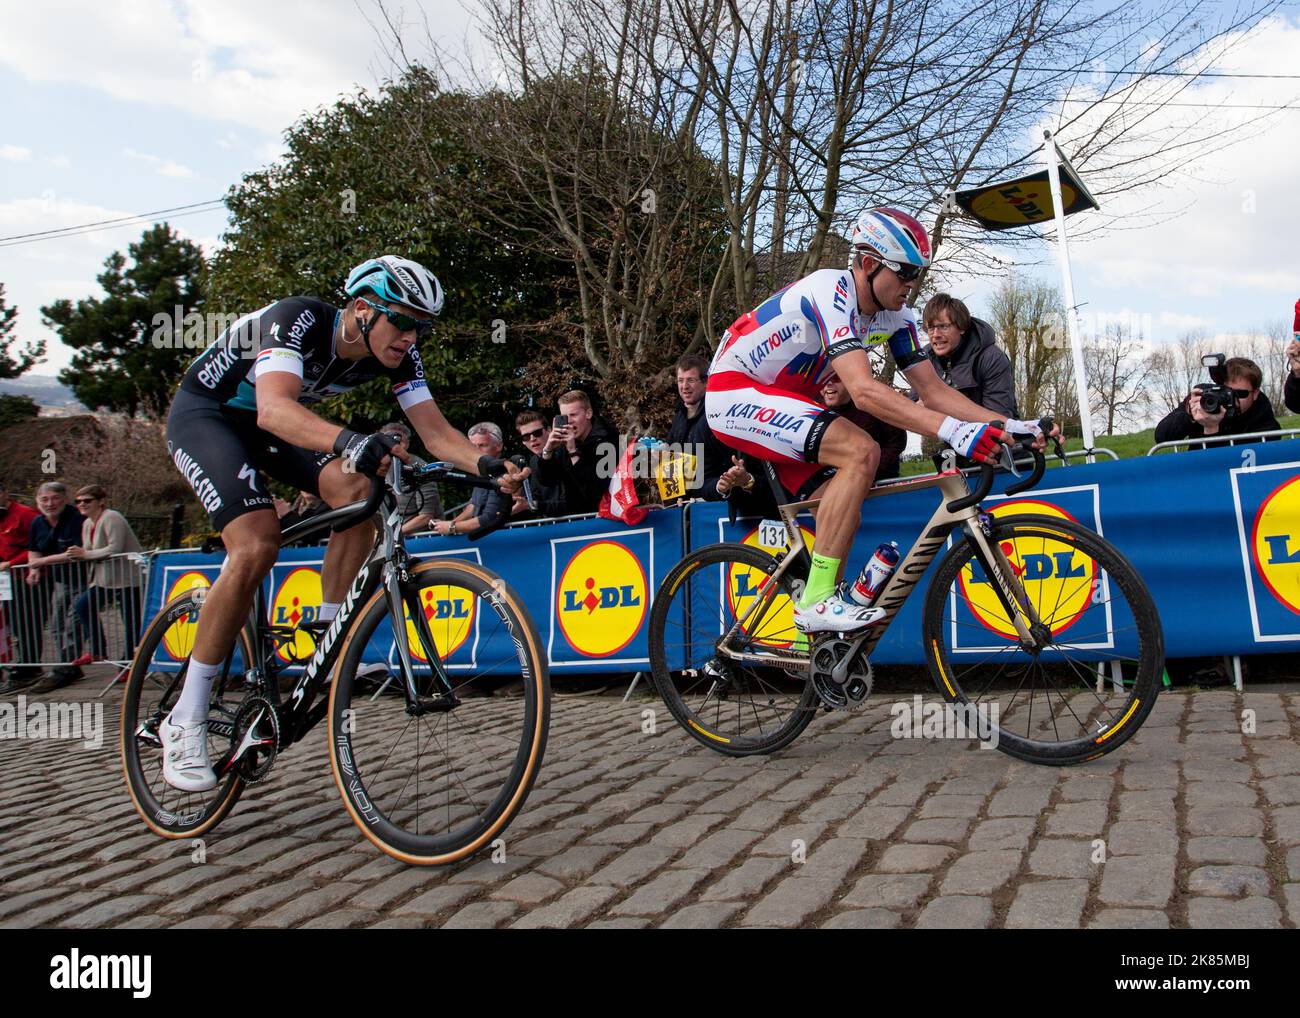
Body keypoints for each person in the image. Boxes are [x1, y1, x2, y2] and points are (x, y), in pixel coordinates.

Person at [162, 255, 526, 792]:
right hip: (210, 417)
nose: (411, 336)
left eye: (421, 326)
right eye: (402, 322)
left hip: (271, 426)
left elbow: (437, 434)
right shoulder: (298, 319)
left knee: (360, 488)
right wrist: (352, 441)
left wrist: (488, 465)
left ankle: (328, 639)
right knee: (256, 544)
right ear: (361, 309)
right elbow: (274, 410)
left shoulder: (399, 356)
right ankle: (185, 719)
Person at [706, 207, 1054, 634]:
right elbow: (865, 391)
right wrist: (955, 432)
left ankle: (817, 630)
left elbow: (934, 392)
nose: (912, 285)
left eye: (918, 274)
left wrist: (1011, 426)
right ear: (869, 264)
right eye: (905, 272)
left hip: (786, 402)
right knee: (861, 450)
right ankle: (815, 602)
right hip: (733, 392)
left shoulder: (897, 318)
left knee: (847, 492)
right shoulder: (830, 291)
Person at [68, 485, 144, 665]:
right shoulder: (87, 523)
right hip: (104, 579)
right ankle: (97, 650)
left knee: (130, 621)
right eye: (78, 501)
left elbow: (114, 548)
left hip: (127, 578)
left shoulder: (111, 517)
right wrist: (76, 554)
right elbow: (88, 550)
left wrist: (84, 555)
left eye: (87, 500)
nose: (82, 504)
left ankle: (129, 663)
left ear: (100, 501)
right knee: (83, 605)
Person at [23, 482, 87, 691]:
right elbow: (33, 550)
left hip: (84, 578)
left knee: (72, 624)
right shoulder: (37, 523)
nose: (50, 504)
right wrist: (34, 570)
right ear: (37, 501)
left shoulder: (77, 518)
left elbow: (74, 552)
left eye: (54, 498)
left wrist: (41, 563)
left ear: (64, 498)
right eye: (44, 499)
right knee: (57, 623)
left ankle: (65, 668)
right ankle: (70, 664)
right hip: (60, 581)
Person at [667, 354, 755, 500]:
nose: (684, 387)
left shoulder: (717, 415)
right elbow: (671, 464)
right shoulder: (678, 417)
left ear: (705, 382)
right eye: (680, 381)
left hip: (718, 501)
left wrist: (721, 487)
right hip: (684, 505)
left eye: (691, 380)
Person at [920, 293, 1018, 418]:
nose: (935, 334)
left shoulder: (991, 358)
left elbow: (998, 420)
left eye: (943, 326)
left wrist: (939, 406)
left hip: (997, 435)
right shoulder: (926, 358)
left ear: (962, 327)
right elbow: (910, 408)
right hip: (951, 435)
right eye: (930, 328)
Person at [1153, 356, 1282, 447]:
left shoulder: (1262, 414)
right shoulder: (1205, 398)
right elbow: (1161, 437)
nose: (1232, 398)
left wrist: (1212, 429)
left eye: (1240, 394)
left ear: (1255, 394)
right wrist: (1189, 415)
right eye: (1227, 392)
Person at [537, 390, 616, 515]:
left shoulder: (608, 441)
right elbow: (548, 480)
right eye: (565, 417)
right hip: (575, 519)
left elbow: (596, 490)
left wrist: (573, 452)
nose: (569, 421)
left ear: (588, 413)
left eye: (573, 415)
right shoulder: (565, 442)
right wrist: (548, 449)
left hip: (607, 517)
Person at [820, 374, 907, 480]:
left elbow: (897, 440)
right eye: (823, 379)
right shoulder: (812, 408)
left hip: (880, 481)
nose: (828, 383)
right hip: (834, 484)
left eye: (836, 378)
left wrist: (871, 468)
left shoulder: (872, 403)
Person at [433, 423, 510, 536]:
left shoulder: (504, 473)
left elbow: (489, 517)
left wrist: (452, 527)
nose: (476, 451)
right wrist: (449, 523)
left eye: (482, 445)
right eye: (473, 447)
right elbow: (473, 506)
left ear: (499, 446)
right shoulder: (482, 473)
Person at [0, 484, 39, 690]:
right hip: (7, 580)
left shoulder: (24, 514)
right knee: (14, 623)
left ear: (5, 493)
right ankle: (23, 662)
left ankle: (30, 666)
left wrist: (13, 562)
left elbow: (37, 546)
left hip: (27, 576)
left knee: (27, 623)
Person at [379, 421, 445, 534]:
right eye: (389, 442)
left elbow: (426, 517)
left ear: (407, 444)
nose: (394, 447)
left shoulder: (421, 469)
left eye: (399, 442)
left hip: (418, 537)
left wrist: (393, 534)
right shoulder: (374, 467)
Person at [514, 410, 568, 518]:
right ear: (523, 442)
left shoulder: (567, 452)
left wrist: (534, 505)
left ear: (549, 431)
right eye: (526, 437)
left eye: (537, 433)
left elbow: (570, 502)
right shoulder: (533, 462)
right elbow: (536, 498)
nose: (532, 439)